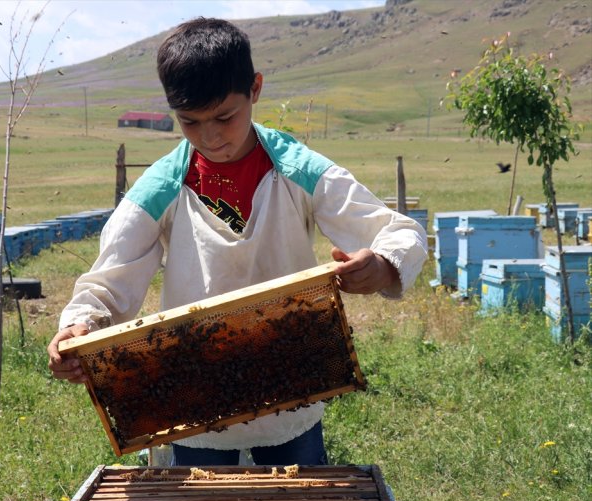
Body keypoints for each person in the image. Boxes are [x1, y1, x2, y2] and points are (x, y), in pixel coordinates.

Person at [48, 17, 427, 467]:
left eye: (225, 117)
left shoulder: (298, 168)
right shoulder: (161, 186)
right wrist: (80, 327)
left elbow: (400, 232)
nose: (211, 137)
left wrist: (383, 264)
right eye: (190, 122)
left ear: (256, 89)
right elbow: (109, 278)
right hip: (195, 405)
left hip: (293, 400)